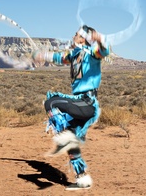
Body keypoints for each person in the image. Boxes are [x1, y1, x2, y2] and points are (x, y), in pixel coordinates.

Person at [33, 25, 110, 190]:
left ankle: (63, 134)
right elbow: (58, 57)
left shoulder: (92, 54)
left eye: (76, 34)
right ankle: (83, 179)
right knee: (71, 146)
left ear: (83, 39)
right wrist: (41, 55)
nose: (73, 36)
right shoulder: (73, 55)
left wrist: (100, 39)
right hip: (80, 103)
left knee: (51, 102)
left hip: (87, 103)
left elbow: (104, 51)